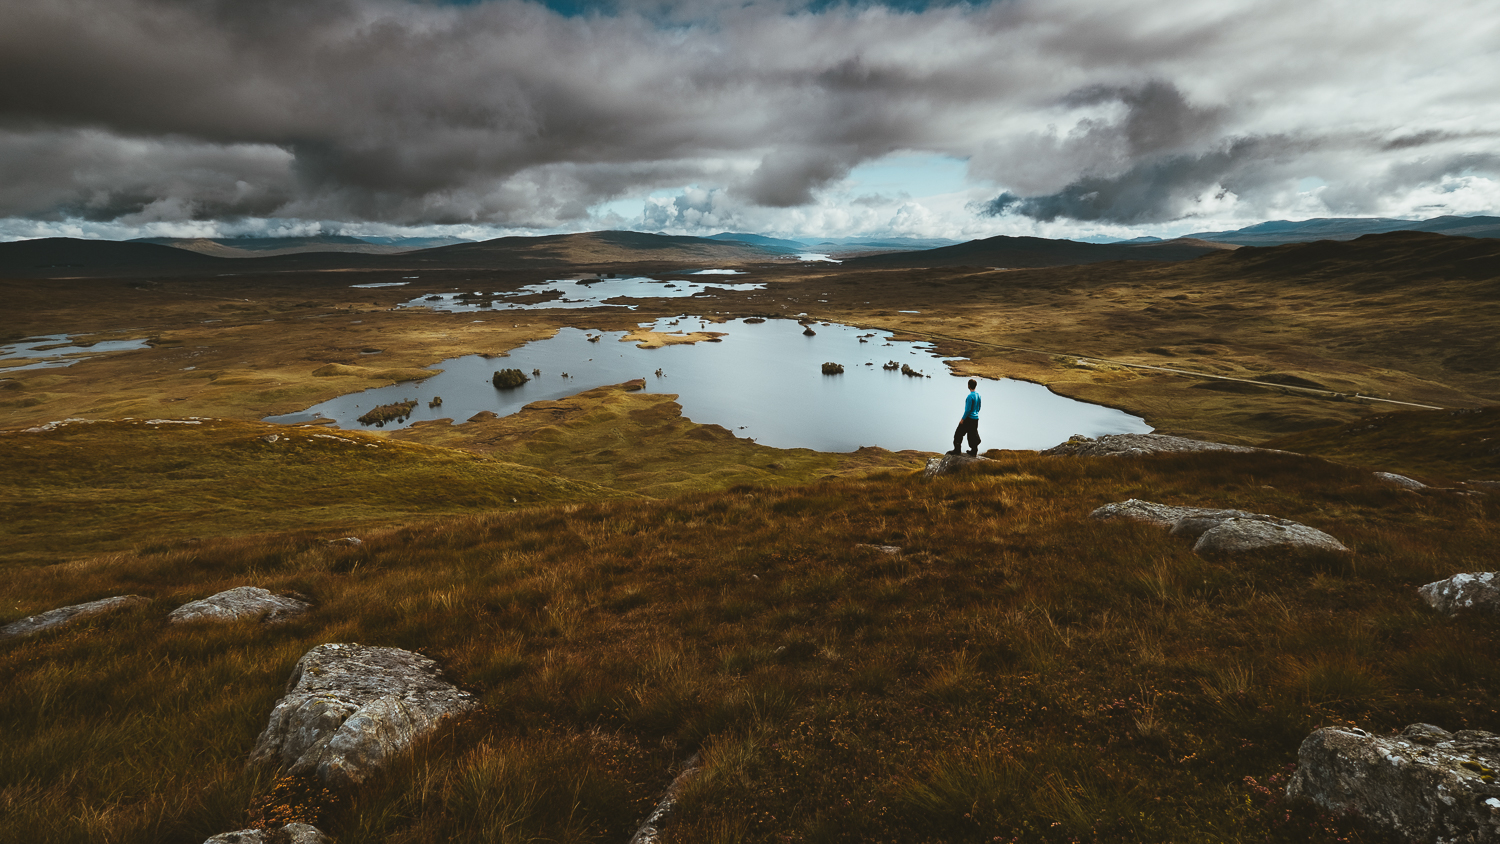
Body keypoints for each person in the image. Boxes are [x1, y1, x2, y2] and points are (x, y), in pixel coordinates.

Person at [951, 378, 981, 456]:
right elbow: (979, 407)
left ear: (969, 385)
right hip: (975, 419)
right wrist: (976, 413)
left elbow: (967, 410)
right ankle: (974, 451)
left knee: (958, 433)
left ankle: (957, 450)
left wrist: (962, 419)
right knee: (972, 434)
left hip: (969, 418)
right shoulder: (978, 395)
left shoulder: (970, 396)